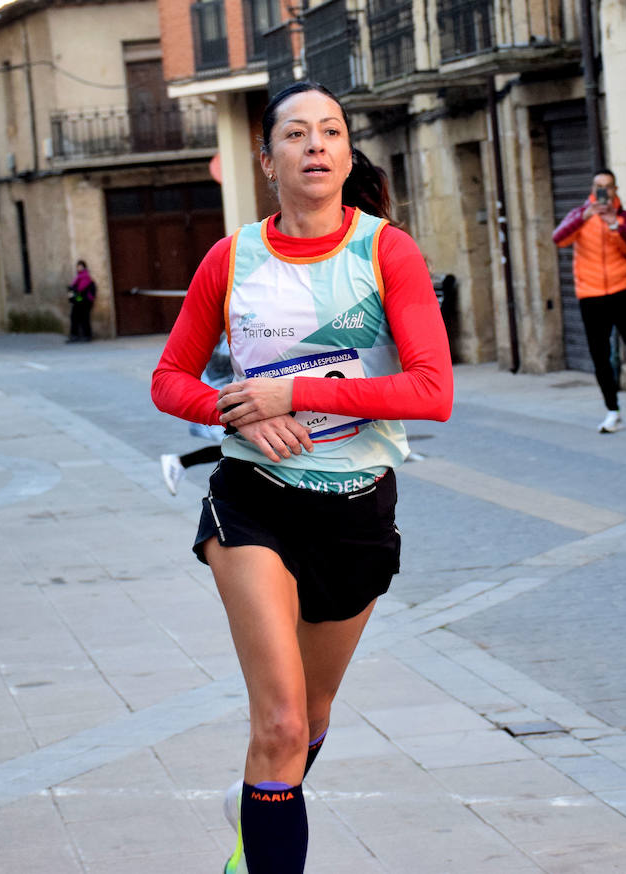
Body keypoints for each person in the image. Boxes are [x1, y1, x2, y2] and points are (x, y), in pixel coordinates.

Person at [151, 81, 452, 874]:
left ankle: (257, 809)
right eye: (296, 134)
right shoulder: (232, 258)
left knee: (312, 718)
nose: (315, 145)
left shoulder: (388, 252)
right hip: (255, 501)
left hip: (355, 511)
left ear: (348, 154)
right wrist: (239, 413)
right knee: (280, 722)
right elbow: (170, 378)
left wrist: (295, 392)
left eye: (331, 132)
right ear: (268, 159)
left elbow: (433, 392)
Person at [553, 169, 626, 432]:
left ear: (615, 190)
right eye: (598, 186)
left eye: (608, 187)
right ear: (592, 189)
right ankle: (612, 410)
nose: (603, 191)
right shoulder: (579, 215)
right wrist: (586, 216)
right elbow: (559, 238)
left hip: (622, 293)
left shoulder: (623, 217)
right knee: (600, 356)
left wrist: (613, 224)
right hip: (591, 297)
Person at [161, 337, 234, 495]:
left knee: (237, 447)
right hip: (221, 397)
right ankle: (180, 462)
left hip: (225, 396)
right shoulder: (229, 336)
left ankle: (180, 462)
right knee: (238, 446)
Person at [67, 260, 96, 343]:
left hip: (84, 301)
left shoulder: (85, 277)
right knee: (75, 317)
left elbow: (80, 289)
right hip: (79, 300)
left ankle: (86, 336)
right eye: (78, 266)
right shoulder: (78, 277)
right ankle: (75, 335)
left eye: (80, 266)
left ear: (84, 267)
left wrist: (73, 290)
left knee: (84, 318)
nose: (79, 268)